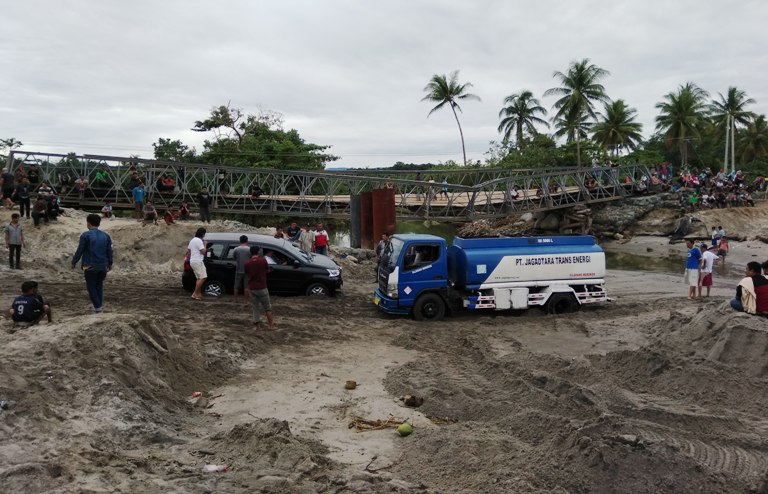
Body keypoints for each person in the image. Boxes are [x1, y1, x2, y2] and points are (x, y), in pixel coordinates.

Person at [71, 214, 113, 313]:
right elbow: (109, 251)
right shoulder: (106, 236)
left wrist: (74, 261)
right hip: (103, 265)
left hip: (89, 265)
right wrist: (110, 263)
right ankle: (99, 306)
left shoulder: (85, 235)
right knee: (99, 285)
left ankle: (98, 308)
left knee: (91, 286)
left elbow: (80, 250)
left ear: (88, 223)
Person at [245, 245, 276, 330]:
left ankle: (258, 327)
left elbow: (247, 273)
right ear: (258, 252)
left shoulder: (247, 263)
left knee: (255, 308)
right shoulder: (263, 261)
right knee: (267, 307)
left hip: (252, 288)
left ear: (250, 253)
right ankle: (271, 325)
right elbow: (267, 270)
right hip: (262, 287)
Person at [187, 227, 207, 300]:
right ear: (203, 234)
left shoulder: (192, 240)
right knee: (203, 277)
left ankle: (198, 294)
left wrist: (191, 258)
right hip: (198, 261)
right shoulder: (199, 241)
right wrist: (205, 244)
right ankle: (195, 293)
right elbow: (203, 252)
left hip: (192, 261)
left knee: (199, 278)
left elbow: (189, 252)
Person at [232, 235, 251, 304]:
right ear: (247, 241)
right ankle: (245, 301)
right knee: (246, 286)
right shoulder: (249, 249)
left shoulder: (236, 249)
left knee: (236, 285)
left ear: (240, 241)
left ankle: (235, 299)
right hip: (247, 270)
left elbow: (234, 257)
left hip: (238, 269)